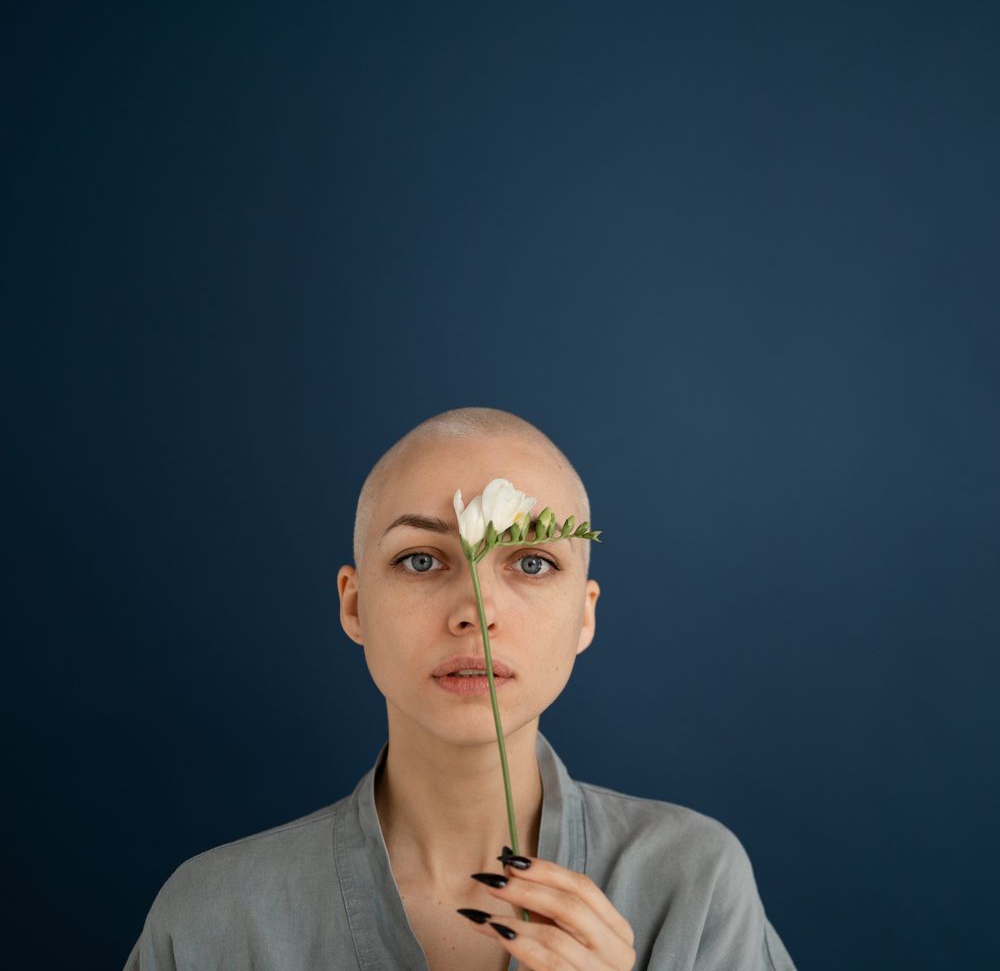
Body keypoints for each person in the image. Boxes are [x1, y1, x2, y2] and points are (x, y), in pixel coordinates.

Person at [123, 406, 797, 971]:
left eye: (532, 562)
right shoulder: (214, 918)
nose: (477, 610)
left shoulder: (693, 883)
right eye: (421, 560)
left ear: (585, 616)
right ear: (354, 606)